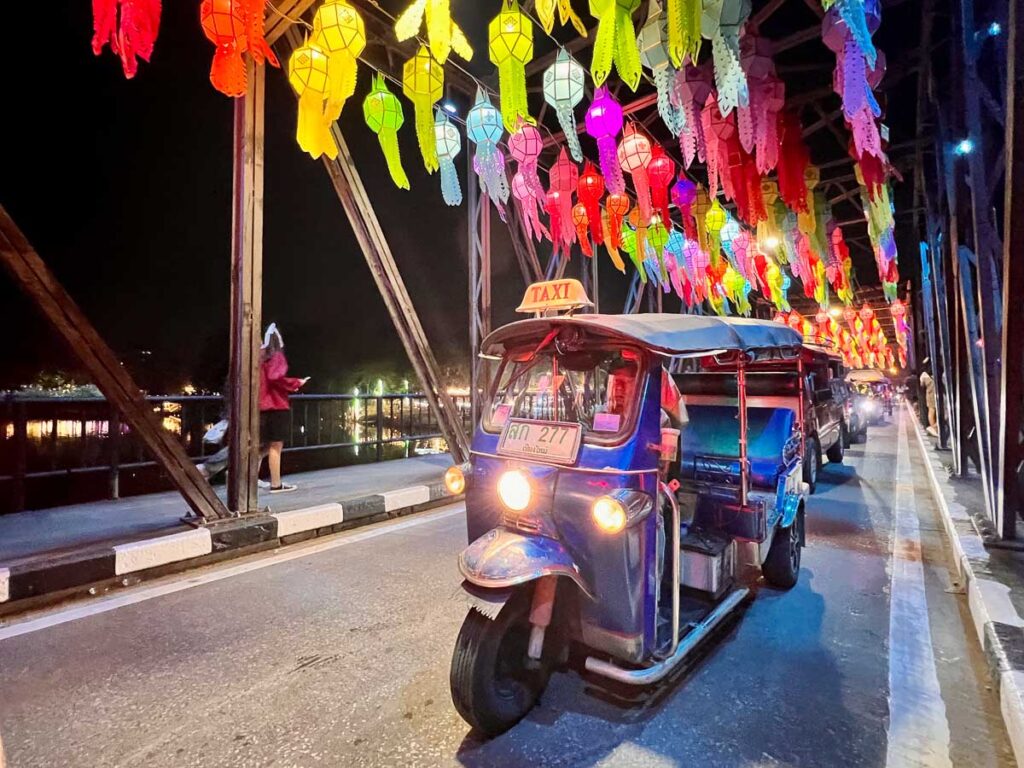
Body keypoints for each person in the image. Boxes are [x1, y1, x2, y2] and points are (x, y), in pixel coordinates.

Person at [259, 323, 308, 493]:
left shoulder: (260, 359)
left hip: (261, 407)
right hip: (277, 406)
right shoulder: (277, 357)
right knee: (275, 447)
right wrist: (296, 383)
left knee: (262, 448)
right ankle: (276, 484)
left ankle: (251, 481)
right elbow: (275, 377)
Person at [919, 365, 938, 437]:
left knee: (931, 411)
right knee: (941, 412)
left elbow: (922, 385)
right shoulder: (937, 371)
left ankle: (933, 427)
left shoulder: (923, 375)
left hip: (930, 395)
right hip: (939, 395)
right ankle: (934, 427)